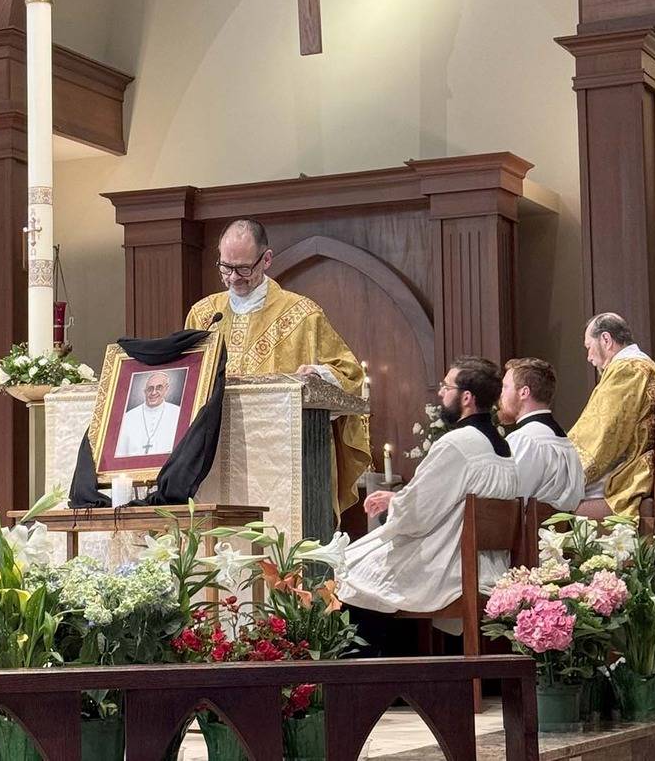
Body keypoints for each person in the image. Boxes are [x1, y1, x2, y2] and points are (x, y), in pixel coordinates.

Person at [185, 218, 369, 515]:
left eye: (244, 268)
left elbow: (352, 378)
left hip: (282, 464)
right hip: (214, 460)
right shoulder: (203, 314)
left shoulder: (303, 315)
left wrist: (319, 377)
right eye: (225, 267)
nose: (233, 278)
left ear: (266, 259)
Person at [336, 358, 519, 633]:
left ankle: (375, 670)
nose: (441, 393)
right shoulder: (502, 448)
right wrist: (396, 500)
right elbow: (438, 500)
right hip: (489, 565)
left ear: (466, 397)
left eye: (447, 387)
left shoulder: (457, 444)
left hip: (451, 565)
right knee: (363, 569)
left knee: (351, 574)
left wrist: (397, 505)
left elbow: (417, 515)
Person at [568, 313, 655, 518]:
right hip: (638, 462)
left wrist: (560, 467)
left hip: (629, 470)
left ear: (606, 339)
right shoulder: (645, 365)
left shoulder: (627, 369)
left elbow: (602, 434)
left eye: (588, 347)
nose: (589, 357)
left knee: (551, 506)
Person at [499, 358, 584, 511]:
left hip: (526, 532)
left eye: (505, 387)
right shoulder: (565, 439)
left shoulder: (526, 439)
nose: (501, 395)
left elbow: (504, 502)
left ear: (524, 392)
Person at [114, 370, 181, 457]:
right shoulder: (128, 417)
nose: (153, 392)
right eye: (150, 389)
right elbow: (119, 454)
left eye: (159, 388)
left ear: (166, 389)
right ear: (145, 391)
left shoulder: (178, 413)